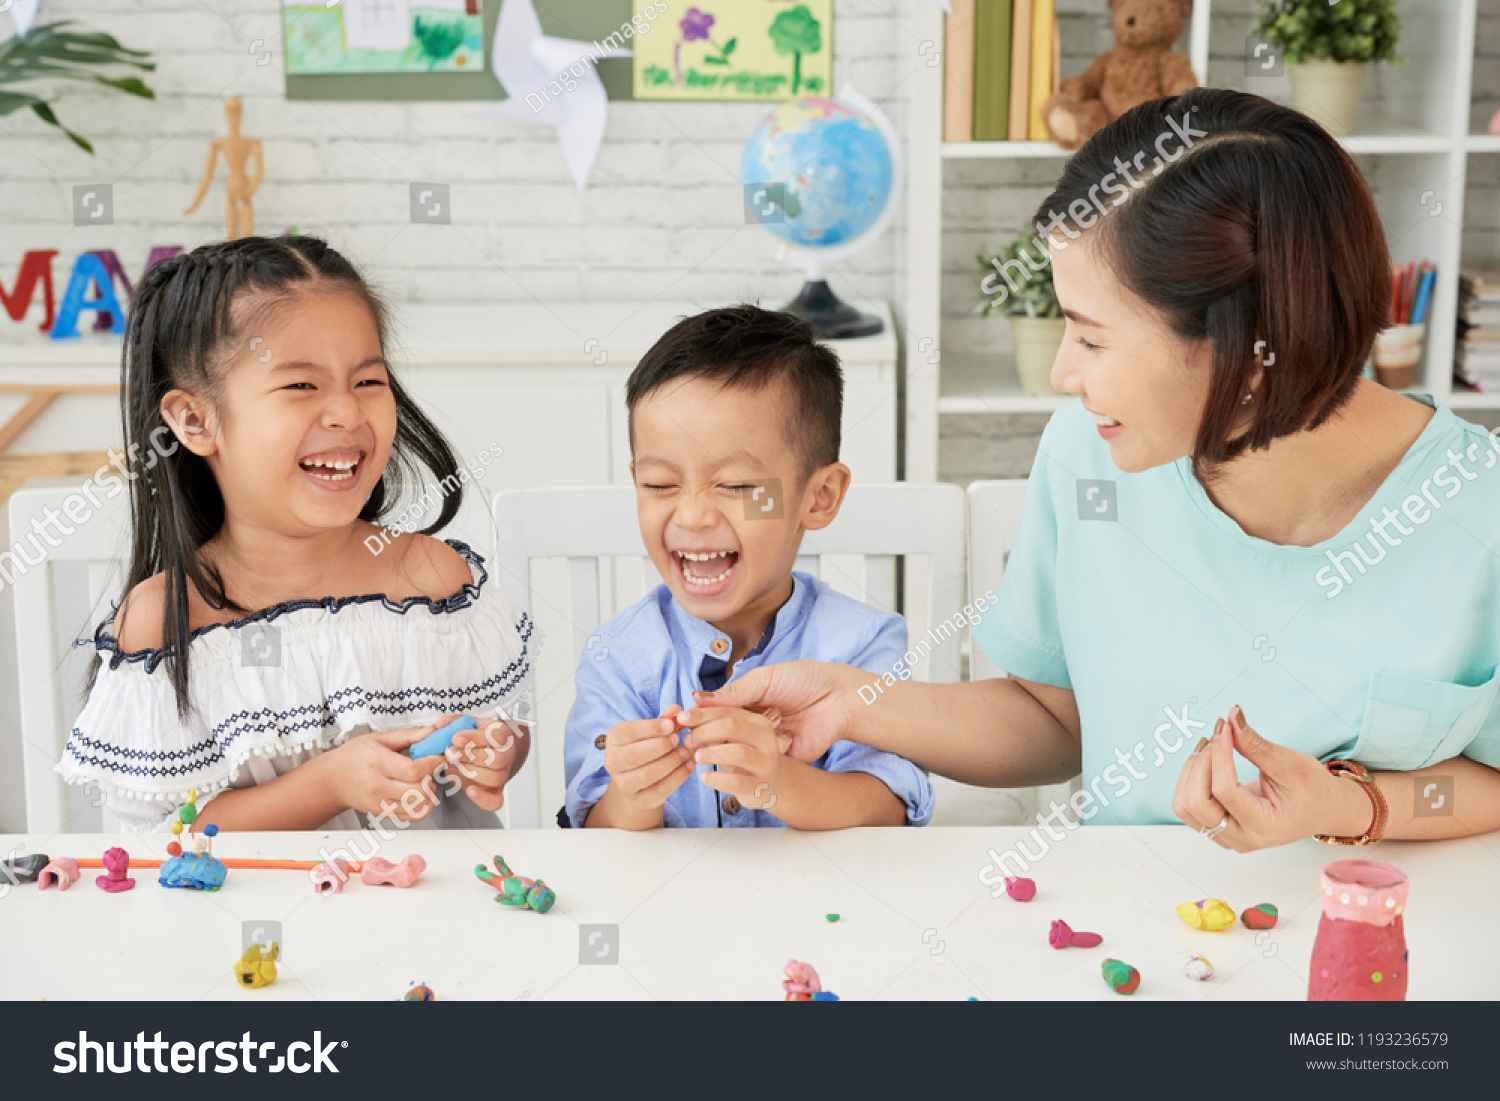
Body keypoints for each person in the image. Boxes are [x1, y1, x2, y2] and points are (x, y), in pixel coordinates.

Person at [685, 89, 1500, 851]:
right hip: (1139, 948)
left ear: (1245, 353)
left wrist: (1348, 804)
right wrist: (853, 700)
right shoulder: (1091, 453)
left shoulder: (1477, 511)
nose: (1062, 374)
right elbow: (1055, 715)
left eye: (1094, 338)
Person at [58, 236, 534, 832]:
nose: (347, 414)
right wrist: (328, 784)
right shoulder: (168, 622)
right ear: (195, 420)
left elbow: (505, 730)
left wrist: (496, 754)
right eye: (301, 386)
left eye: (368, 382)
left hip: (440, 914)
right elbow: (164, 836)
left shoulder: (434, 581)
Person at [563, 305, 933, 829]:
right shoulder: (618, 656)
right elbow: (598, 835)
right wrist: (634, 794)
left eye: (737, 485)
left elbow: (886, 811)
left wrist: (779, 783)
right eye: (660, 485)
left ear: (819, 496)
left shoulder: (863, 645)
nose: (691, 515)